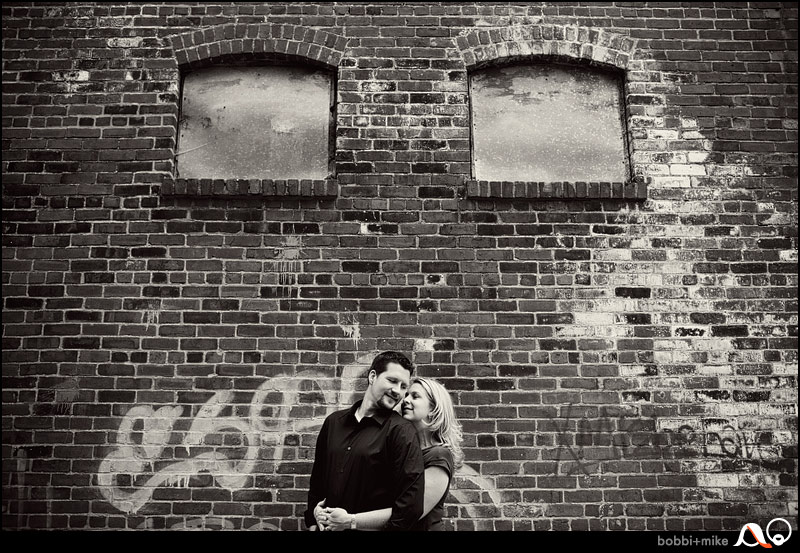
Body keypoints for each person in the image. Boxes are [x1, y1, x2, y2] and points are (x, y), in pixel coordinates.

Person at [318, 377, 463, 531]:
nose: (405, 400)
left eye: (415, 396)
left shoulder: (438, 456)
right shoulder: (402, 448)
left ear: (434, 408)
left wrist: (351, 520)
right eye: (406, 395)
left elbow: (410, 512)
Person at [304, 351, 424, 531]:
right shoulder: (333, 423)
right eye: (392, 381)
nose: (397, 391)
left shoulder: (402, 432)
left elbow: (410, 507)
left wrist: (351, 522)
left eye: (403, 386)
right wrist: (313, 524)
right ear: (372, 376)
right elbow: (317, 484)